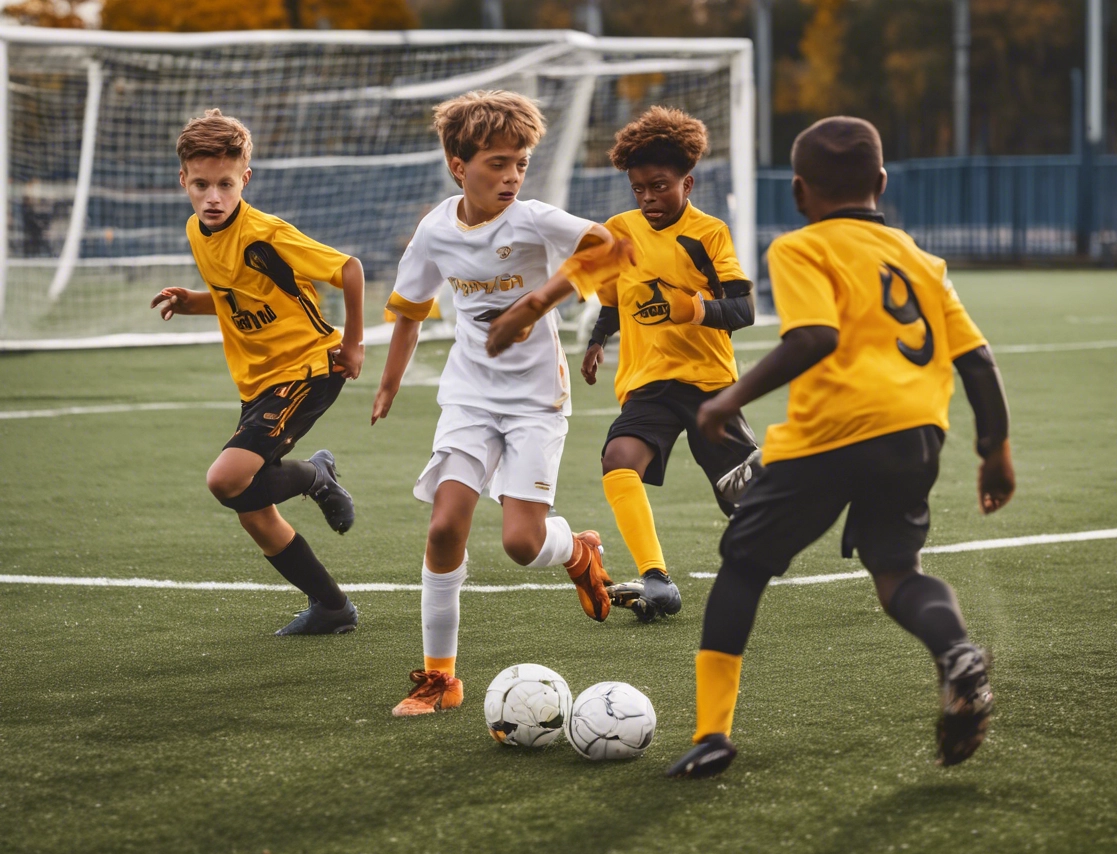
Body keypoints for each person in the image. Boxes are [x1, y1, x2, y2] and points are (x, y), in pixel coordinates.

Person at [668, 116, 1015, 778]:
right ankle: (957, 653)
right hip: (915, 434)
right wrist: (994, 450)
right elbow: (977, 359)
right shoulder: (922, 261)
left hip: (830, 435)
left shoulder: (801, 248)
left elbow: (813, 338)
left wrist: (727, 400)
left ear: (799, 193)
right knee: (899, 574)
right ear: (880, 183)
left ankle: (712, 734)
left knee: (742, 567)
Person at [372, 90, 626, 717]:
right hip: (468, 396)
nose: (512, 176)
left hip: (536, 399)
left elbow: (612, 247)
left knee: (520, 543)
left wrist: (535, 304)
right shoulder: (436, 230)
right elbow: (408, 310)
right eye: (496, 163)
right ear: (459, 166)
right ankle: (440, 678)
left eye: (520, 163)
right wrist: (388, 382)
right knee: (444, 524)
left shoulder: (534, 219)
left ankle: (575, 549)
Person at [151, 108, 363, 636]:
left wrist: (353, 344)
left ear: (244, 178)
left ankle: (317, 475)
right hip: (260, 381)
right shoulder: (198, 231)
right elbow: (236, 296)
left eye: (225, 183)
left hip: (309, 368)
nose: (214, 196)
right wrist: (193, 300)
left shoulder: (265, 234)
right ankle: (332, 607)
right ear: (184, 182)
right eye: (201, 185)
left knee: (225, 479)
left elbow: (351, 270)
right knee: (252, 508)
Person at [576, 106, 762, 623]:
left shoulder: (710, 234)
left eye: (659, 186)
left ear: (688, 182)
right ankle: (657, 580)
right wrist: (597, 338)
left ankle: (783, 491)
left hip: (708, 384)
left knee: (748, 507)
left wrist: (694, 307)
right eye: (638, 188)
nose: (648, 198)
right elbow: (614, 297)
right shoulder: (619, 230)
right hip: (649, 383)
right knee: (618, 457)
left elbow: (745, 310)